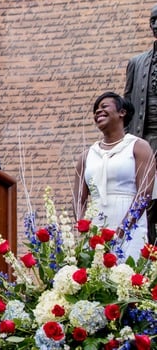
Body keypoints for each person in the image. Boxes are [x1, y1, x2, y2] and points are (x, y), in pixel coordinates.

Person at [73, 92, 155, 261]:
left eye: (104, 107)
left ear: (122, 112)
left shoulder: (138, 147)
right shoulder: (87, 155)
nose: (98, 112)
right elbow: (78, 199)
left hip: (128, 221)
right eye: (95, 110)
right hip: (96, 222)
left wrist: (121, 231)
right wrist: (84, 230)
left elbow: (144, 194)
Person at [124, 4, 157, 243]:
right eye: (152, 21)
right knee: (147, 203)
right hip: (145, 141)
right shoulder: (137, 63)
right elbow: (126, 107)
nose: (156, 25)